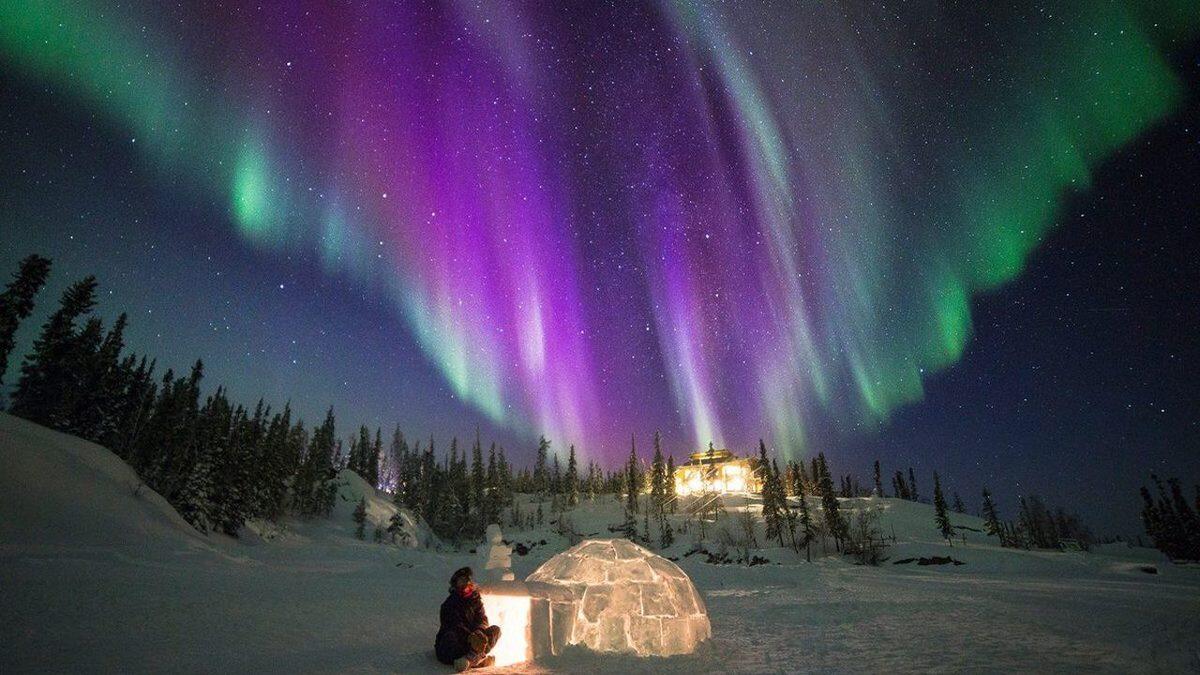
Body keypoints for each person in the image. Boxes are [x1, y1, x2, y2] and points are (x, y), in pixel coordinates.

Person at [435, 567, 501, 671]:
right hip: (456, 641)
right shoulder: (449, 604)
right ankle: (477, 658)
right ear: (455, 585)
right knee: (450, 637)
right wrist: (470, 637)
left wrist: (479, 632)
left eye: (468, 581)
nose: (466, 585)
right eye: (462, 582)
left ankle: (470, 659)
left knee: (495, 630)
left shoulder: (476, 601)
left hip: (475, 640)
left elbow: (482, 620)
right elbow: (454, 625)